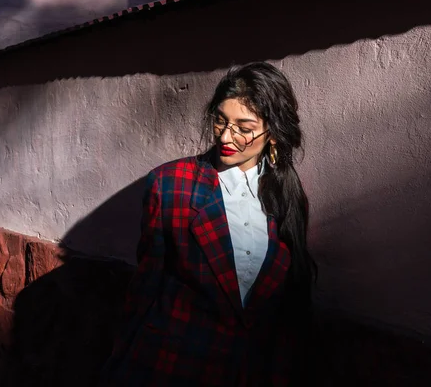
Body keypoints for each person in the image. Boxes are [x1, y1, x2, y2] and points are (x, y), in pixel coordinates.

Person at [99, 62, 316, 386]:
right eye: (220, 121)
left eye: (244, 127)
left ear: (272, 133)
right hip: (174, 365)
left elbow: (287, 305)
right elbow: (145, 287)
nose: (226, 137)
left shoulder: (286, 195)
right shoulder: (170, 184)